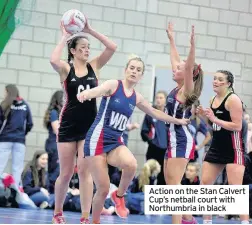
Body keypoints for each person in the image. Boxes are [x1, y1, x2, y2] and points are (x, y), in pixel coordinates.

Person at [77, 55, 190, 224]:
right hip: (97, 140)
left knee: (131, 164)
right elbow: (97, 91)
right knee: (103, 188)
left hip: (115, 141)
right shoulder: (114, 85)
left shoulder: (136, 97)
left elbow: (156, 113)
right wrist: (86, 93)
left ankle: (119, 195)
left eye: (138, 70)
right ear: (125, 70)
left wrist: (178, 120)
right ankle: (93, 221)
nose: (134, 72)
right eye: (132, 68)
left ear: (141, 75)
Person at [49, 18, 117, 224]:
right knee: (66, 173)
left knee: (85, 172)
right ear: (74, 51)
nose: (87, 50)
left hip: (89, 127)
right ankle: (57, 213)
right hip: (68, 125)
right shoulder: (65, 69)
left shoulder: (94, 66)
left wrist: (89, 30)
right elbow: (53, 60)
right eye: (83, 47)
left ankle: (85, 217)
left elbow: (112, 47)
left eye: (89, 47)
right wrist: (65, 36)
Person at [197, 70, 249, 224]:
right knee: (205, 184)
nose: (215, 81)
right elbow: (213, 124)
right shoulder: (213, 98)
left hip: (233, 148)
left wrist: (214, 118)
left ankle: (245, 222)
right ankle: (207, 221)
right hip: (216, 147)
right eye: (214, 79)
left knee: (235, 188)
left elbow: (237, 126)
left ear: (228, 84)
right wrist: (203, 116)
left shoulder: (233, 99)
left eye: (220, 79)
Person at [165, 23, 203, 224]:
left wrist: (192, 46)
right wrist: (171, 39)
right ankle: (188, 219)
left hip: (181, 139)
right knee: (171, 182)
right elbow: (177, 61)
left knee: (174, 188)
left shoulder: (187, 90)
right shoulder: (177, 86)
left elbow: (187, 66)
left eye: (179, 68)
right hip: (172, 139)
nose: (175, 67)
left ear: (189, 74)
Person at [0, 84, 33, 188]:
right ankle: (16, 192)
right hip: (19, 140)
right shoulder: (25, 105)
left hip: (5, 139)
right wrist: (22, 133)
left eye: (5, 92)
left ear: (8, 92)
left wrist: (2, 133)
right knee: (17, 168)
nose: (4, 94)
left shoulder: (4, 104)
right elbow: (30, 123)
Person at [140, 90, 168, 185]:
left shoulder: (170, 115)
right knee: (149, 175)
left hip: (166, 152)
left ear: (165, 100)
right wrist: (151, 141)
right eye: (157, 98)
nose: (158, 100)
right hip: (153, 150)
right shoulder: (150, 113)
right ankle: (146, 198)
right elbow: (144, 132)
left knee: (163, 177)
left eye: (161, 98)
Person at [43, 90, 63, 193]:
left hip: (56, 144)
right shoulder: (54, 112)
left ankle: (52, 191)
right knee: (55, 170)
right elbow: (57, 130)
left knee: (55, 169)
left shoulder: (59, 113)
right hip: (54, 145)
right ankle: (50, 191)